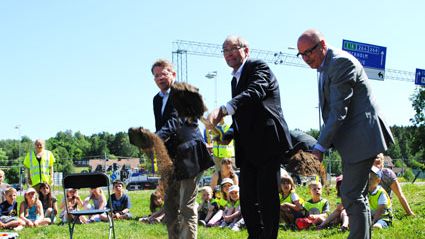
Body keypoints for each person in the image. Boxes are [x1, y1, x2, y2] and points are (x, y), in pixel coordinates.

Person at [297, 29, 394, 239]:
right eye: (301, 54)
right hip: (355, 141)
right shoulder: (324, 66)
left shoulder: (340, 63)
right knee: (355, 194)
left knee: (351, 194)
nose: (306, 58)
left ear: (322, 44)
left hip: (362, 137)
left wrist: (320, 148)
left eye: (309, 52)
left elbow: (338, 112)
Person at [208, 35, 292, 239]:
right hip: (247, 148)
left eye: (233, 48)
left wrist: (224, 108)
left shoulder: (258, 67)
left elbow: (254, 93)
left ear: (246, 49)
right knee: (246, 200)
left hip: (266, 143)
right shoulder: (234, 79)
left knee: (266, 197)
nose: (229, 54)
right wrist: (228, 134)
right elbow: (243, 115)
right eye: (225, 50)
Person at [152, 80, 214, 239]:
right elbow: (164, 125)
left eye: (164, 73)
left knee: (186, 205)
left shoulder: (185, 102)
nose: (160, 78)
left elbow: (173, 122)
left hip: (190, 157)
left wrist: (154, 138)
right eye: (156, 75)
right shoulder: (160, 100)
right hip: (174, 158)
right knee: (170, 205)